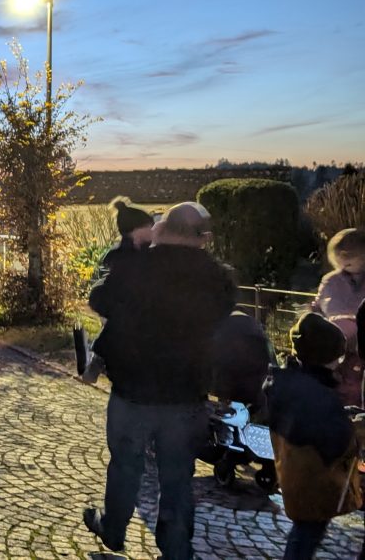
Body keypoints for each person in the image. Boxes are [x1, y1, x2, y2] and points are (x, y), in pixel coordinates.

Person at [83, 202, 237, 560]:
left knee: (125, 465)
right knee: (178, 477)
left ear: (162, 230)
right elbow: (223, 315)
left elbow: (99, 300)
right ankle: (176, 550)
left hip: (133, 390)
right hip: (187, 394)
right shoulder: (218, 278)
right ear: (203, 237)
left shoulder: (137, 267)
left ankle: (114, 529)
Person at [264, 312, 364, 560]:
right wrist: (356, 428)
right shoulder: (320, 396)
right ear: (324, 357)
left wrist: (341, 414)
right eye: (337, 357)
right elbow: (337, 443)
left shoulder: (286, 382)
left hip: (294, 473)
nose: (339, 362)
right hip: (315, 480)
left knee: (303, 533)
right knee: (306, 535)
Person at [82, 197, 155, 383]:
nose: (153, 230)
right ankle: (99, 359)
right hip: (124, 308)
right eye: (150, 226)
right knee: (123, 318)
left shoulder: (142, 253)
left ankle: (98, 359)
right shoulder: (125, 258)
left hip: (129, 312)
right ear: (136, 230)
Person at [313, 228, 365, 407]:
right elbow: (318, 306)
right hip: (333, 349)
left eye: (351, 254)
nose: (345, 258)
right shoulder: (331, 280)